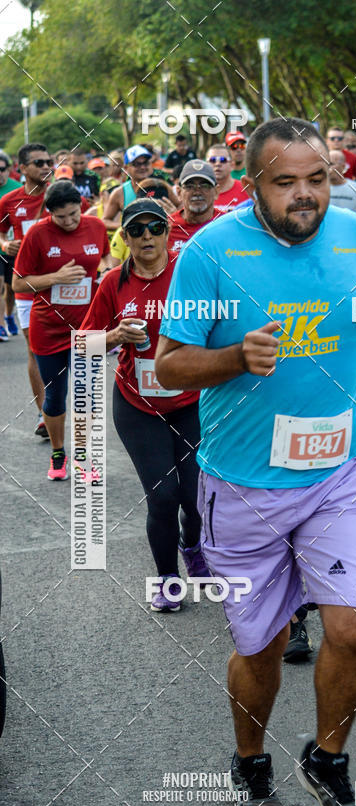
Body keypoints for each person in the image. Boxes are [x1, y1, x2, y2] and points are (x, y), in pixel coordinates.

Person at [155, 116, 356, 806]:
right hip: (243, 483)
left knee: (355, 627)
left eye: (318, 179)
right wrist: (236, 357)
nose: (306, 196)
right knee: (260, 645)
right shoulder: (210, 252)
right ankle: (251, 760)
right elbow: (169, 363)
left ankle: (327, 760)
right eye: (286, 182)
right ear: (254, 184)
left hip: (341, 468)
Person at [81, 198, 208, 608]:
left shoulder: (190, 275)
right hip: (138, 406)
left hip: (190, 403)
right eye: (137, 230)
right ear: (125, 238)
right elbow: (82, 344)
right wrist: (116, 336)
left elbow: (220, 329)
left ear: (169, 233)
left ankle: (193, 547)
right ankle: (168, 579)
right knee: (163, 495)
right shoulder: (112, 284)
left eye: (155, 228)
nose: (147, 236)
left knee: (195, 497)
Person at [12, 180, 111, 478]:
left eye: (73, 215)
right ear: (49, 213)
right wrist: (55, 277)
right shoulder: (37, 234)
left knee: (87, 397)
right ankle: (58, 454)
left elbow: (105, 256)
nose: (68, 222)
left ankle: (83, 457)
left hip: (88, 326)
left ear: (81, 207)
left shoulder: (96, 226)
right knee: (55, 396)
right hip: (50, 329)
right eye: (60, 217)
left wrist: (105, 270)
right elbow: (18, 282)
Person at [0, 143, 54, 434]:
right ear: (22, 169)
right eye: (39, 163)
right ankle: (44, 413)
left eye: (48, 162)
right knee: (35, 351)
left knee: (76, 352)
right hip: (25, 286)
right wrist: (6, 244)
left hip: (64, 286)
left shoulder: (60, 195)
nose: (46, 167)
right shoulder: (9, 201)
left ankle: (63, 408)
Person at [103, 145, 179, 230]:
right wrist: (127, 226)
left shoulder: (162, 185)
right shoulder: (120, 193)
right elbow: (105, 221)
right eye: (136, 164)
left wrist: (174, 215)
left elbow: (180, 206)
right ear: (126, 168)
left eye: (145, 163)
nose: (142, 167)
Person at [168, 160, 220, 252]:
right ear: (179, 192)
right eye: (189, 186)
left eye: (205, 186)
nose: (197, 192)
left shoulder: (228, 224)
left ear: (216, 192)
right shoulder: (167, 227)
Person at [0, 150, 21, 339]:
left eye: (2, 169)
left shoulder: (18, 189)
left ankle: (8, 316)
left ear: (9, 170)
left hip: (14, 248)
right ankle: (0, 325)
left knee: (11, 289)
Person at [205, 144, 248, 214]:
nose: (217, 164)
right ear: (205, 165)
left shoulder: (246, 190)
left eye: (223, 160)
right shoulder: (200, 192)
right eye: (212, 160)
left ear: (232, 165)